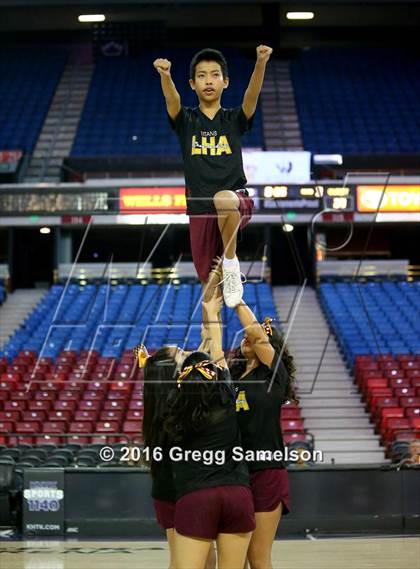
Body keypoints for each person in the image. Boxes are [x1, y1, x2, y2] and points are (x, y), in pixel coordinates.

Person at [153, 45, 273, 308]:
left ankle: (231, 263)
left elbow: (251, 96)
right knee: (209, 293)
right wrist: (165, 76)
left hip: (235, 201)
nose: (209, 80)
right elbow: (172, 101)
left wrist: (261, 63)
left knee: (224, 198)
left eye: (215, 74)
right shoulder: (186, 121)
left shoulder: (232, 119)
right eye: (202, 75)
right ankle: (212, 347)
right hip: (199, 210)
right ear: (192, 84)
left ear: (226, 81)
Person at [163, 291, 255, 569]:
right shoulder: (226, 394)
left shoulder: (173, 404)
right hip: (237, 494)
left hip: (197, 494)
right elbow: (216, 352)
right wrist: (212, 314)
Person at [224, 282, 298, 569]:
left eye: (258, 338)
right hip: (232, 470)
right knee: (234, 558)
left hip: (266, 470)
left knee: (258, 556)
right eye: (245, 337)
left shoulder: (274, 376)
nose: (249, 337)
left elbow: (256, 333)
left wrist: (237, 298)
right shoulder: (231, 378)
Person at [134, 341, 215, 569]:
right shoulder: (177, 402)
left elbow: (199, 356)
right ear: (171, 371)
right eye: (180, 352)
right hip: (177, 491)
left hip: (180, 489)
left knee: (204, 559)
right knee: (185, 563)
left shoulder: (162, 399)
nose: (187, 353)